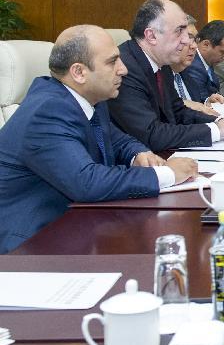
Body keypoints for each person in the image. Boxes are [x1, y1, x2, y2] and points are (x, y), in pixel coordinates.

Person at [0, 26, 198, 253]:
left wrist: (139, 154)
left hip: (78, 224)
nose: (123, 69)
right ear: (79, 72)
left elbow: (117, 140)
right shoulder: (47, 111)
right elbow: (88, 182)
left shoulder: (89, 98)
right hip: (32, 245)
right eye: (112, 62)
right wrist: (167, 174)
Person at [108, 0, 224, 151]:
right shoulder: (125, 69)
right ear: (151, 36)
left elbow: (178, 111)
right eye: (179, 31)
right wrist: (217, 130)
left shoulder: (162, 63)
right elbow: (151, 134)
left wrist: (220, 120)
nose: (187, 40)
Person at [171, 17, 224, 117]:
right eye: (188, 38)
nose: (194, 46)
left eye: (195, 40)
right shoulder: (158, 77)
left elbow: (195, 105)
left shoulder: (185, 73)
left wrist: (207, 103)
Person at [180, 19, 224, 106]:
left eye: (194, 40)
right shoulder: (192, 66)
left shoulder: (208, 62)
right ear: (206, 45)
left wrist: (207, 102)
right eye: (223, 52)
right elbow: (197, 102)